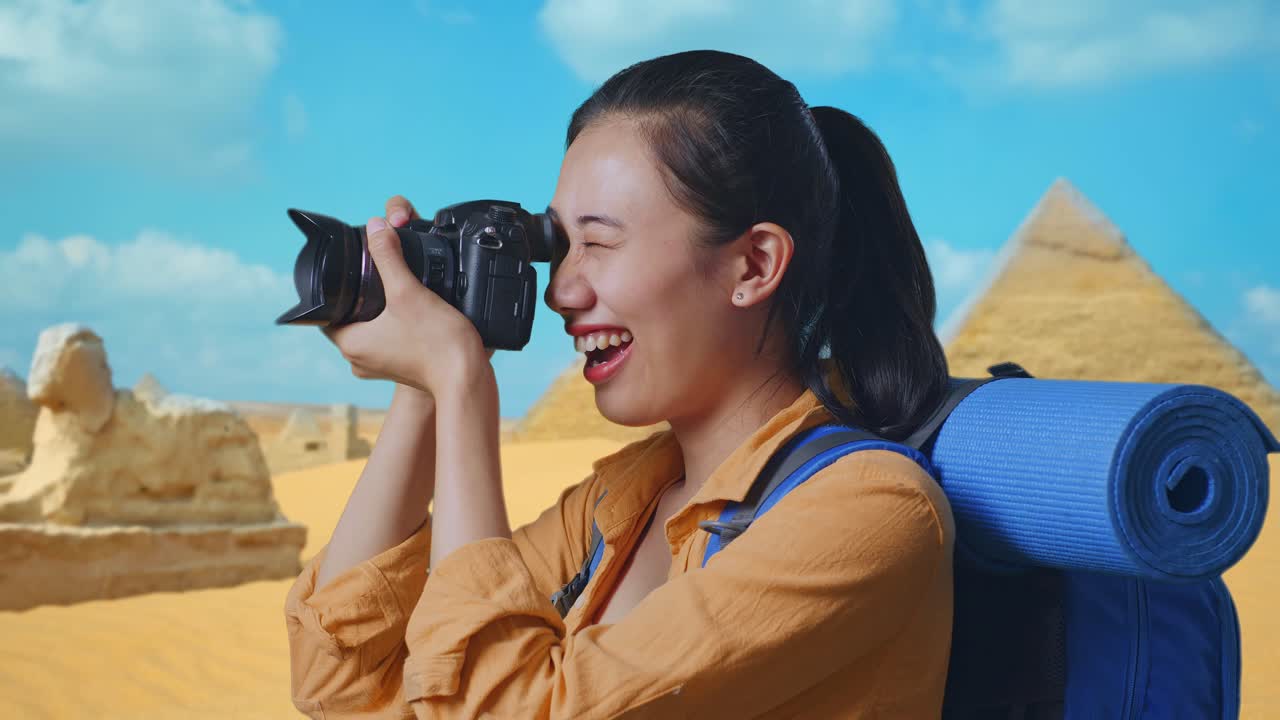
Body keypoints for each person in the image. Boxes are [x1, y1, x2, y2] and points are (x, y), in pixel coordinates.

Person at [285, 50, 956, 719]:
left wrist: (460, 379)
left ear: (753, 265)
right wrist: (423, 377)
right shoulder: (623, 501)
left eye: (599, 243)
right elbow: (345, 687)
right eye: (558, 244)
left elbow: (494, 708)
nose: (561, 291)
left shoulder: (869, 511)